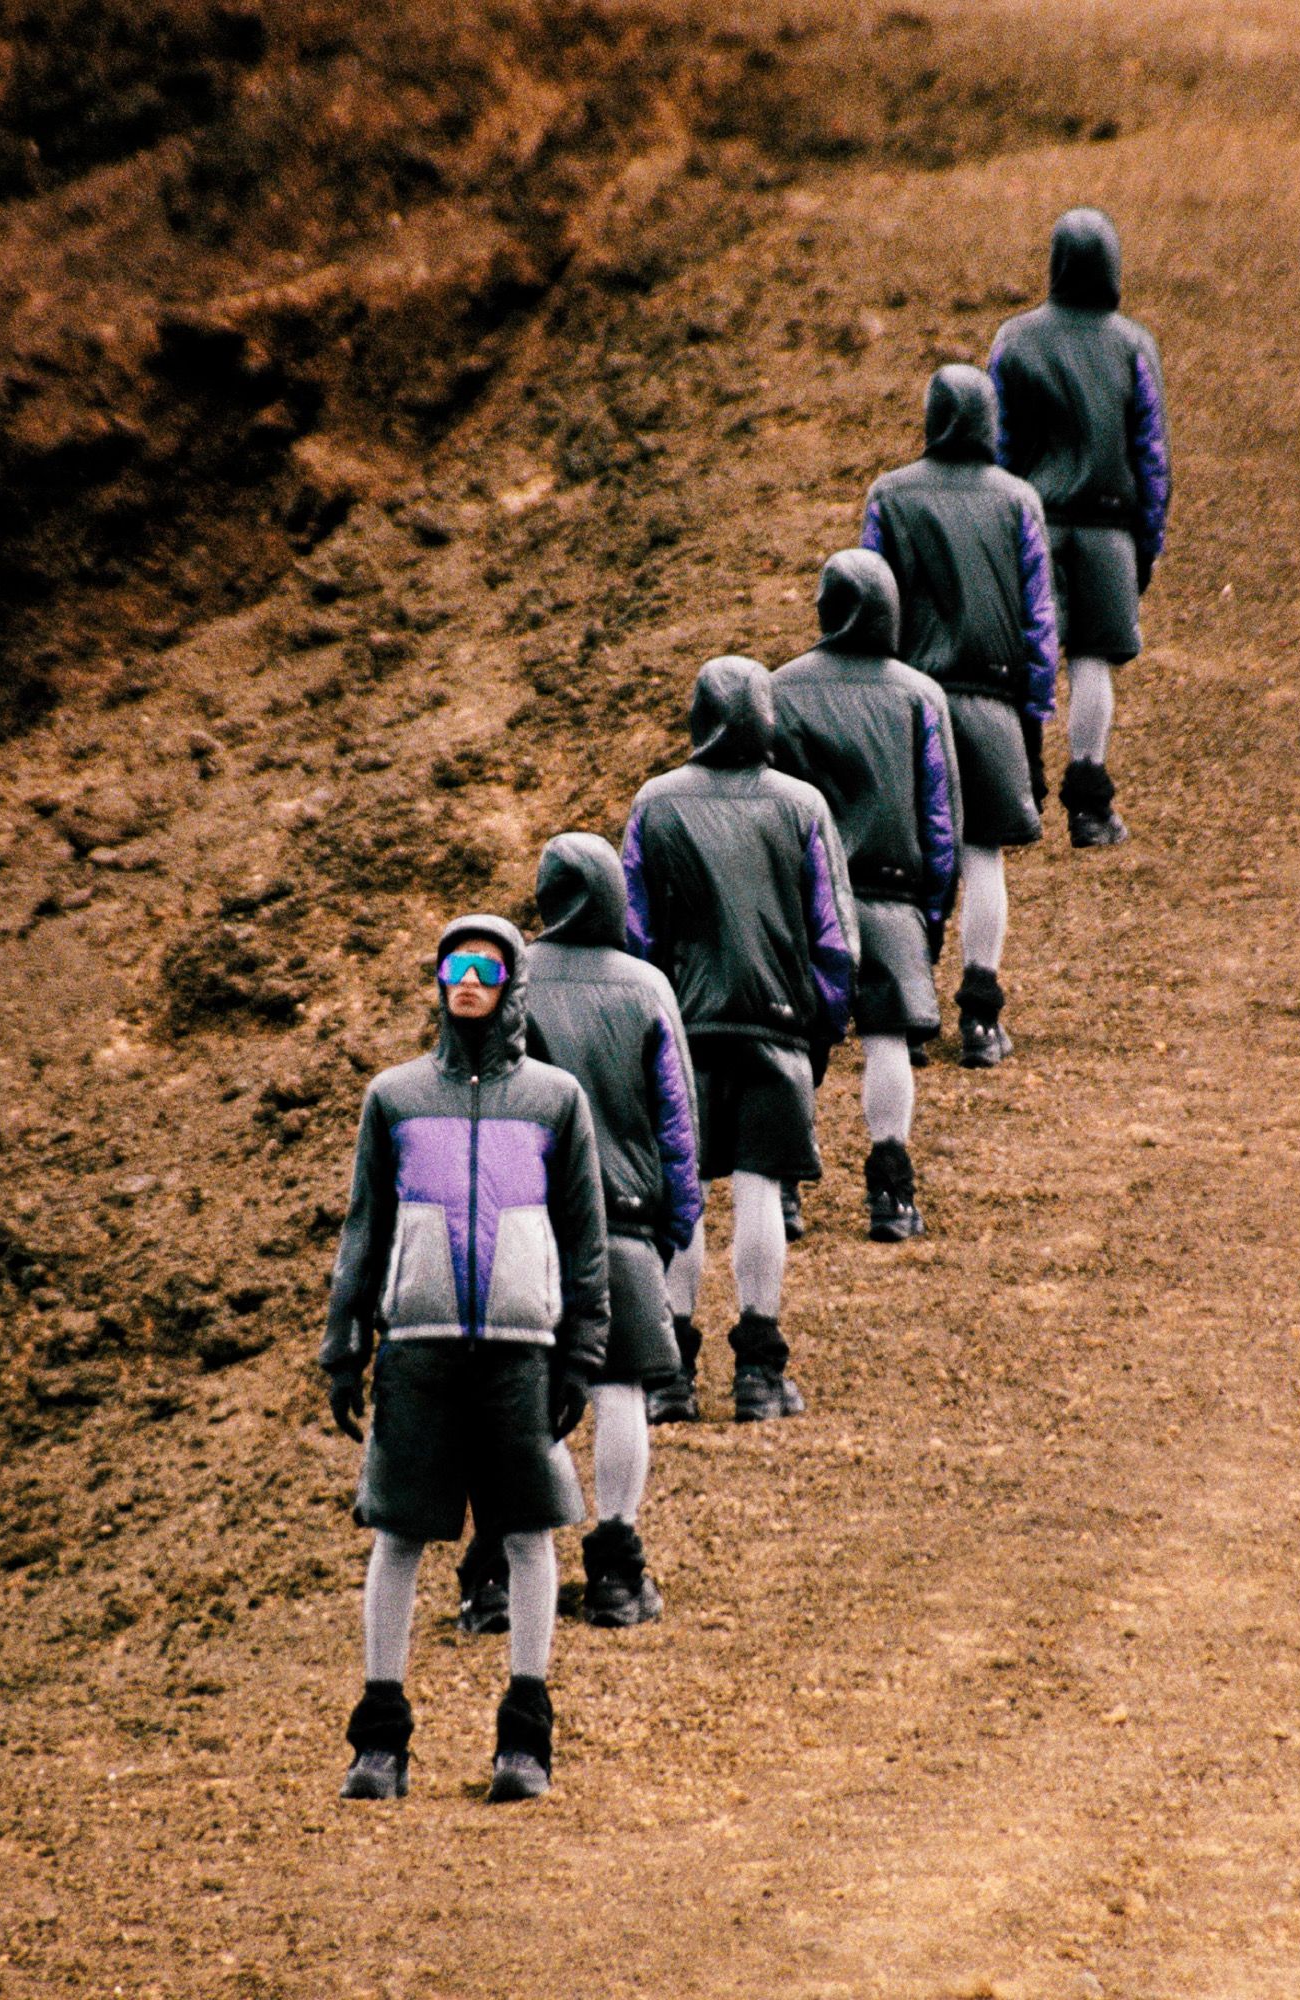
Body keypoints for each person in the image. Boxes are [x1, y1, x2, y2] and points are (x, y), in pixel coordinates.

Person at [319, 915, 609, 1805]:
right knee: (397, 1535)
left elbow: (584, 1234)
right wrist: (345, 1342)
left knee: (528, 1534)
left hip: (522, 1355)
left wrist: (581, 1351)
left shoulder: (557, 1099)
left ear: (512, 981)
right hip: (418, 1353)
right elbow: (365, 1226)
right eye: (454, 967)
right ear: (438, 982)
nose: (469, 980)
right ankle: (379, 1743)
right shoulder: (394, 1097)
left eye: (485, 966)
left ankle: (525, 1741)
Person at [457, 833, 703, 1633]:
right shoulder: (647, 987)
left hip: (520, 1224)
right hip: (623, 1219)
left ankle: (495, 1571)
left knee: (515, 1394)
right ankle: (617, 1569)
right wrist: (676, 1224)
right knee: (621, 1388)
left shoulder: (509, 981)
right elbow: (677, 1123)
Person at [622, 655, 858, 1422]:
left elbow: (633, 930)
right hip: (775, 1027)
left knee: (682, 1195)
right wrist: (817, 1034)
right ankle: (758, 1370)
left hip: (681, 1029)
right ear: (766, 717)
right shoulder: (802, 805)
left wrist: (644, 1030)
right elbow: (835, 937)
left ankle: (671, 1375)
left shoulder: (655, 803)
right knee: (760, 1189)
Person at [863, 364, 1059, 1068]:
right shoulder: (1018, 500)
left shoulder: (891, 495)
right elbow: (1040, 619)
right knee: (983, 853)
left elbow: (871, 598)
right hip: (992, 703)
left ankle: (909, 1014)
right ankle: (980, 1012)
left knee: (910, 858)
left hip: (908, 699)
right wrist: (1034, 719)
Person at [771, 548, 961, 1240]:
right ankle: (891, 1189)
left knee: (793, 1040)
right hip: (892, 895)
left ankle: (784, 1191)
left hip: (803, 899)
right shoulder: (918, 695)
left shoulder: (778, 690)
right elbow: (941, 819)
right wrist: (931, 916)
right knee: (888, 1038)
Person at [988, 206, 1171, 847]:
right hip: (1108, 528)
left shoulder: (1015, 340)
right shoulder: (1133, 345)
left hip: (1033, 523)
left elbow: (998, 444)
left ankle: (1024, 789)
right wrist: (1147, 543)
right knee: (1093, 661)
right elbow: (1151, 454)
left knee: (1026, 657)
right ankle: (1089, 803)